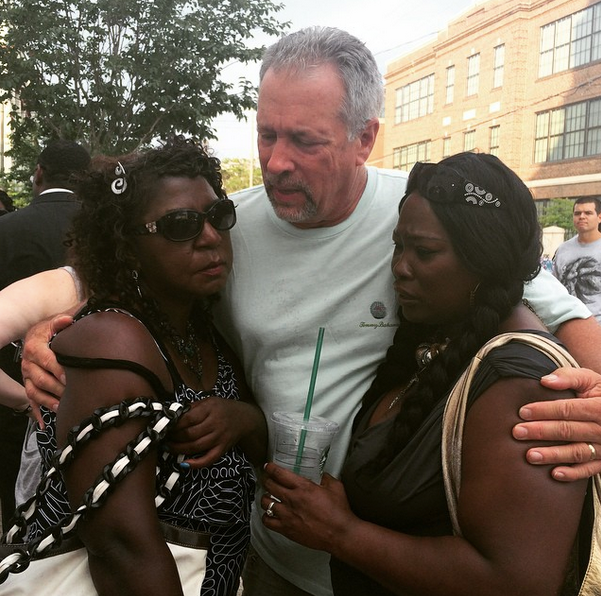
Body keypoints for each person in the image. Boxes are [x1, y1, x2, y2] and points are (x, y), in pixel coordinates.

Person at [17, 27, 601, 596]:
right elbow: (103, 276)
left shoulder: (424, 219)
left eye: (304, 140)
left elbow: (564, 319)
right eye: (266, 135)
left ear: (364, 138)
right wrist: (47, 331)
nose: (275, 162)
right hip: (267, 557)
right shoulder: (224, 224)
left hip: (400, 559)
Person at [260, 153, 595, 595]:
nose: (400, 267)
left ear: (485, 260)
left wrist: (340, 533)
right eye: (399, 246)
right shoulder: (440, 341)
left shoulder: (521, 384)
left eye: (425, 252)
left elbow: (517, 581)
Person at [12, 137, 266, 596]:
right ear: (127, 244)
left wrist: (241, 418)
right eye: (180, 225)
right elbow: (121, 547)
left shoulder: (200, 327)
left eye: (218, 216)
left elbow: (254, 439)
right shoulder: (114, 337)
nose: (210, 236)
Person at [0, 139, 90, 526]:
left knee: (20, 517)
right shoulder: (111, 229)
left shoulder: (6, 228)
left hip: (14, 407)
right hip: (101, 415)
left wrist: (20, 399)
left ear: (38, 173)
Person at [552, 197, 601, 323]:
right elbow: (556, 287)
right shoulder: (563, 249)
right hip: (568, 322)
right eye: (577, 213)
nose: (582, 217)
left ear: (599, 217)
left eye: (588, 213)